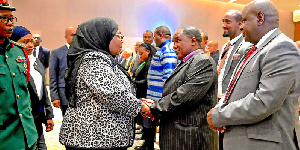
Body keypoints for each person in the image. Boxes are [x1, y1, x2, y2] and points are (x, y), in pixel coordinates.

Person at [207, 1, 300, 149]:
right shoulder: (255, 48)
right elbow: (236, 88)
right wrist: (221, 109)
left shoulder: (282, 47)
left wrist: (221, 115)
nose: (241, 26)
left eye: (244, 20)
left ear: (260, 18)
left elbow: (265, 101)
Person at [59, 17, 149, 150]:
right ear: (102, 36)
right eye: (118, 35)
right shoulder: (93, 60)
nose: (122, 40)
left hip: (100, 139)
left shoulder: (104, 59)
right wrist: (142, 106)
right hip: (92, 139)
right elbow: (113, 95)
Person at [145, 26, 218, 150]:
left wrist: (153, 107)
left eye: (178, 41)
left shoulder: (203, 61)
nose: (174, 46)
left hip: (190, 139)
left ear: (193, 41)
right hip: (180, 136)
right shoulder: (187, 61)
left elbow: (184, 96)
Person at [0, 1, 38, 149]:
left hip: (27, 134)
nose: (10, 24)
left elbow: (24, 89)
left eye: (11, 19)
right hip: (4, 139)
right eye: (4, 18)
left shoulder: (19, 51)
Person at [11, 26, 54, 150]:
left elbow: (43, 91)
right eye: (25, 42)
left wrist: (49, 115)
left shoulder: (35, 61)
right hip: (20, 122)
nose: (30, 45)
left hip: (37, 117)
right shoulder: (12, 64)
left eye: (31, 41)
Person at [216, 9, 252, 150]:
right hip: (219, 99)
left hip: (232, 102)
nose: (224, 25)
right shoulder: (226, 45)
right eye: (223, 21)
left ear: (240, 23)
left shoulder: (246, 45)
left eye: (228, 22)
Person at [143, 25, 178, 150]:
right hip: (155, 96)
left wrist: (165, 99)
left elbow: (169, 77)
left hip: (160, 97)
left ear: (160, 36)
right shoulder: (163, 49)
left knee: (163, 130)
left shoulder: (168, 50)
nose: (153, 40)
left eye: (154, 36)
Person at [49, 26, 76, 116]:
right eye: (73, 35)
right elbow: (53, 75)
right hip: (64, 95)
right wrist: (54, 96)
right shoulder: (57, 52)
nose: (75, 37)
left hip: (81, 96)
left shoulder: (84, 52)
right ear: (66, 37)